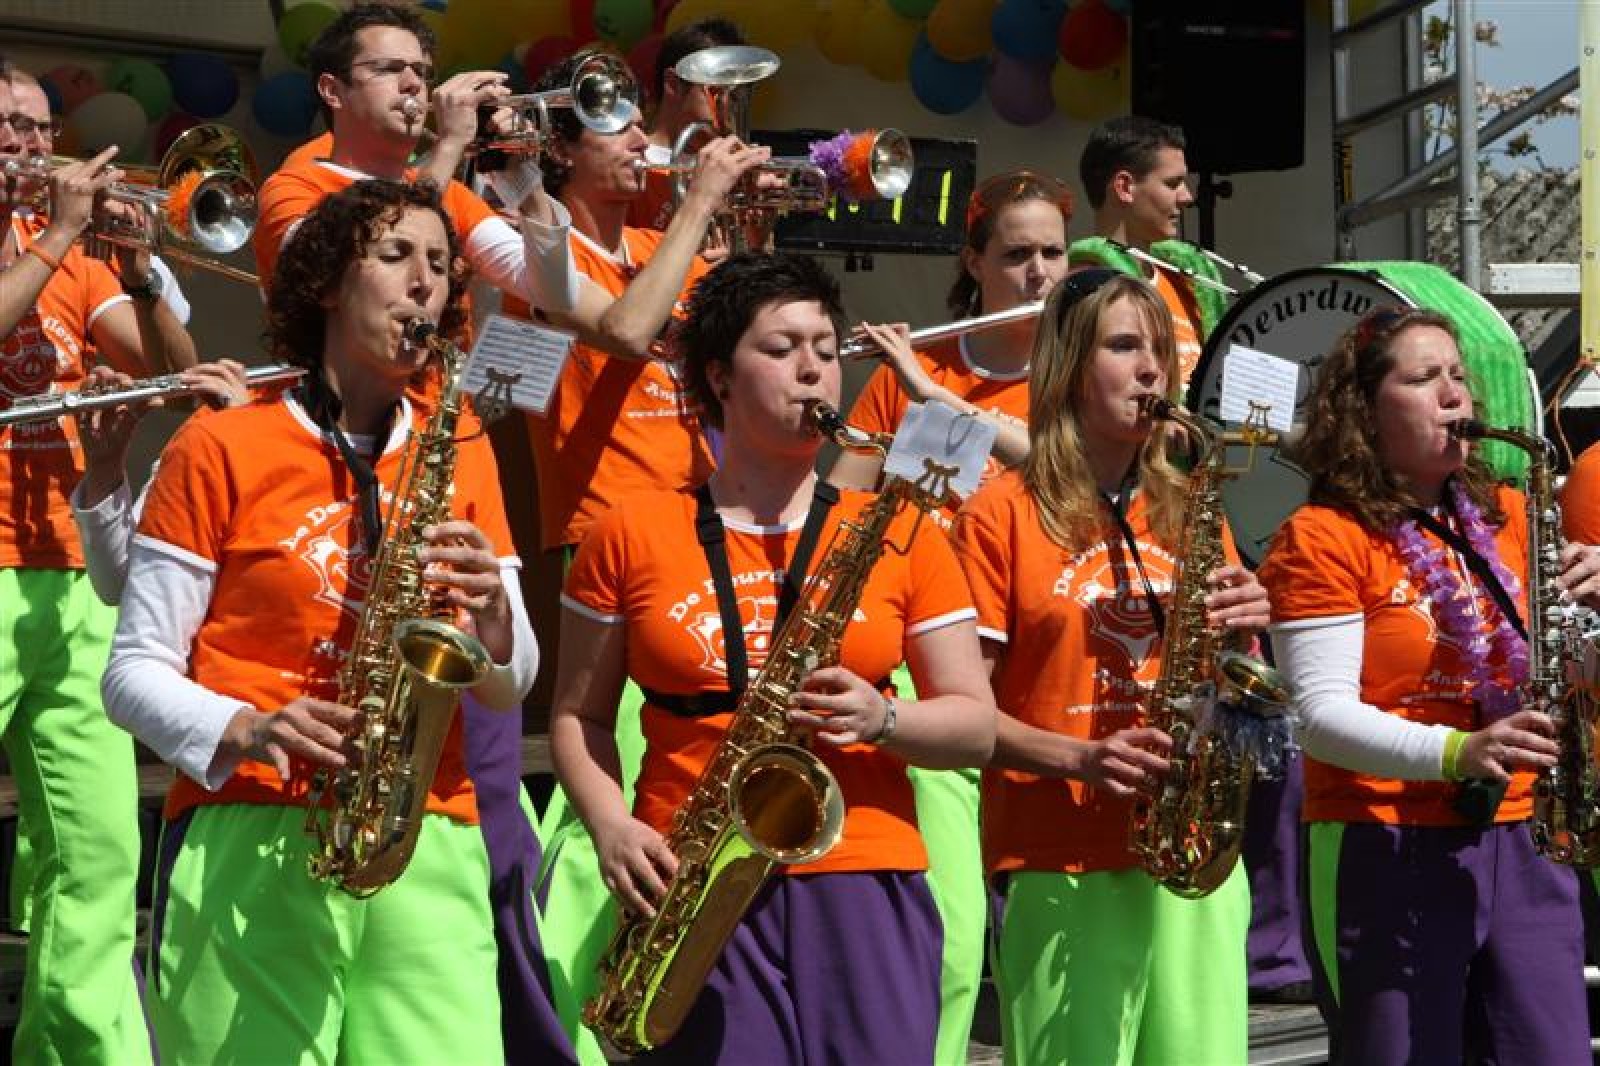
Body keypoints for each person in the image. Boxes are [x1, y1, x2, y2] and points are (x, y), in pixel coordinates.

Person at [100, 179, 539, 1062]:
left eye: (441, 264)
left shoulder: (460, 446)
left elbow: (511, 681)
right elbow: (132, 672)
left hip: (427, 832)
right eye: (396, 255)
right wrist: (250, 726)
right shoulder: (220, 445)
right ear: (330, 284)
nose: (426, 282)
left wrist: (494, 610)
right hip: (255, 823)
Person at [550, 251, 995, 1064]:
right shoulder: (630, 531)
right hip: (691, 881)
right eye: (783, 349)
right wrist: (611, 826)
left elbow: (975, 725)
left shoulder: (901, 530)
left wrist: (883, 716)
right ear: (719, 377)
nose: (813, 370)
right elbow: (579, 716)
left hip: (864, 871)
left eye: (825, 349)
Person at [1257, 306, 1600, 1065]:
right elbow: (1319, 717)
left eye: (1457, 376)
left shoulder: (1511, 516)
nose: (1453, 395)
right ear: (1364, 412)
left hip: (1527, 834)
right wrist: (1457, 751)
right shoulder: (1323, 537)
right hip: (1384, 839)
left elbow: (1571, 672)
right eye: (1423, 379)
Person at [952, 269, 1266, 1066]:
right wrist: (1081, 758)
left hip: (1193, 856)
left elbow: (1239, 694)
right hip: (1062, 858)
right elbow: (962, 716)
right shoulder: (999, 516)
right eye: (1125, 346)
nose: (1152, 369)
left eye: (1159, 349)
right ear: (1068, 367)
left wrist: (1245, 640)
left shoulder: (1191, 507)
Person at [0, 60, 205, 1065]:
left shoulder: (76, 262)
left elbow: (176, 372)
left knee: (98, 851)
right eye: (7, 127)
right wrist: (61, 235)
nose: (29, 146)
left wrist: (138, 267)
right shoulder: (52, 245)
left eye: (40, 129)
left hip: (71, 579)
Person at [841, 168, 1071, 1063]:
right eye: (1016, 255)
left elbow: (1072, 479)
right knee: (945, 929)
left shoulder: (1075, 381)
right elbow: (844, 501)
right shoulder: (916, 372)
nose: (1039, 273)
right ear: (974, 263)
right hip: (928, 654)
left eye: (1053, 253)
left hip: (1041, 661)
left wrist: (938, 402)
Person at [255, 2, 578, 316]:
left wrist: (526, 184)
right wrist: (450, 144)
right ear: (332, 90)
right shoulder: (291, 189)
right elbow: (345, 269)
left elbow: (553, 293)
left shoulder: (452, 195)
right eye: (387, 69)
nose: (413, 84)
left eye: (422, 73)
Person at [1072, 116, 1219, 384]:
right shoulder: (1081, 290)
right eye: (1172, 184)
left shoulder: (1185, 282)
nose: (1187, 197)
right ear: (1124, 187)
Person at [626, 15, 747, 244]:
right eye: (716, 91)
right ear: (673, 84)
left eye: (736, 95)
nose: (728, 105)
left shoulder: (734, 171)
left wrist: (757, 234)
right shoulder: (632, 166)